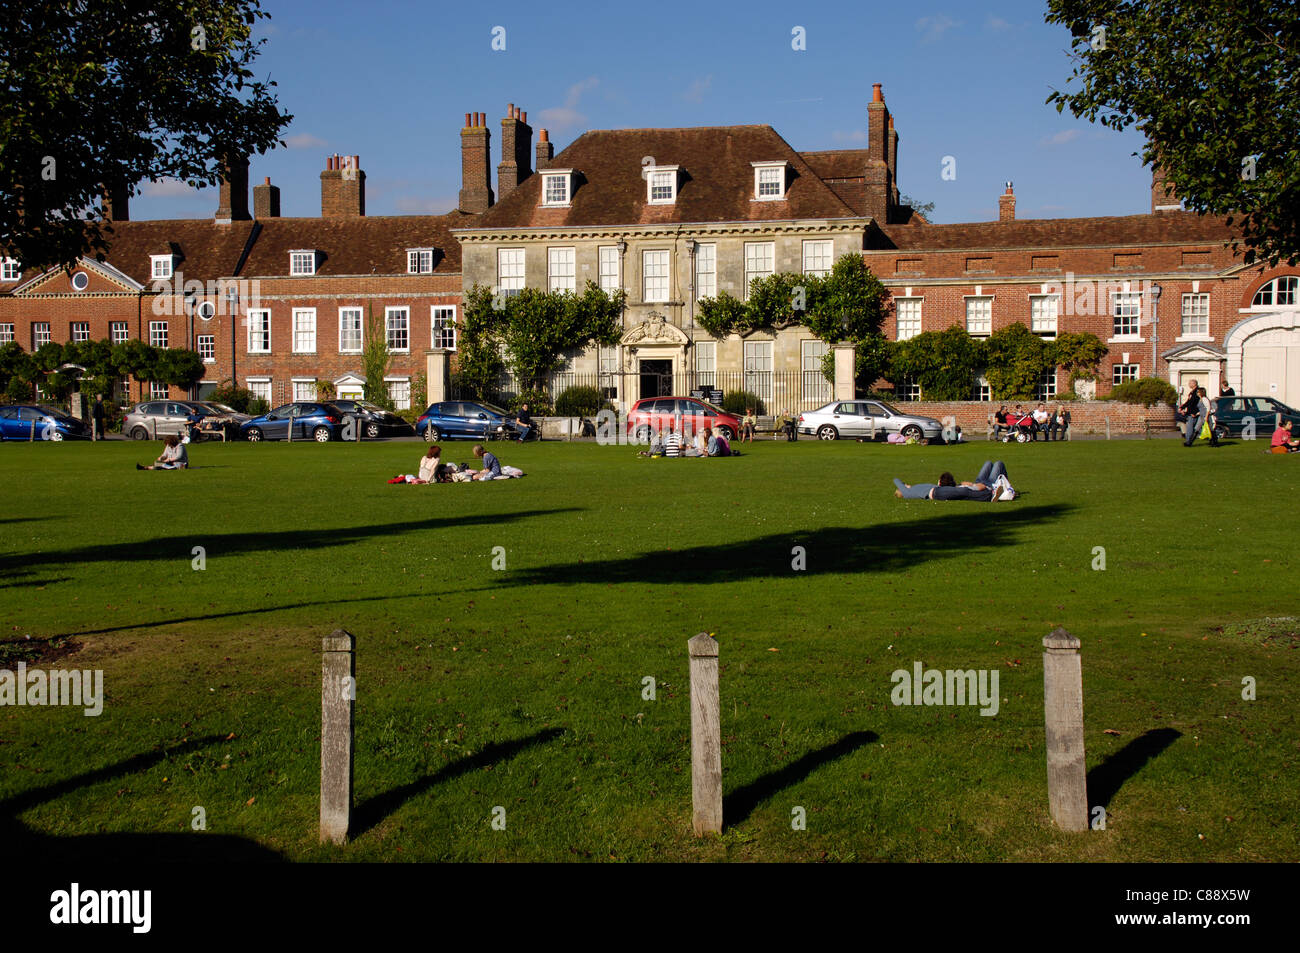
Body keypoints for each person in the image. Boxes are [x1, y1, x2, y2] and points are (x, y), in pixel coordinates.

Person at [893, 461, 1009, 501]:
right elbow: (896, 480)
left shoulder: (915, 489)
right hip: (937, 493)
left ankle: (1002, 490)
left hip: (942, 490)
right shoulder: (909, 493)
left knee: (989, 463)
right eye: (903, 486)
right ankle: (999, 493)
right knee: (999, 464)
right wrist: (902, 485)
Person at [1178, 379, 1201, 443]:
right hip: (1192, 412)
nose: (1189, 384)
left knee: (1190, 427)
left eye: (1190, 383)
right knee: (1195, 427)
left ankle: (1188, 441)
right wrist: (1182, 407)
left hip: (1194, 413)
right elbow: (1188, 402)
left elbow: (1192, 402)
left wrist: (1187, 411)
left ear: (1194, 384)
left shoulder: (1197, 392)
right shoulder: (1192, 392)